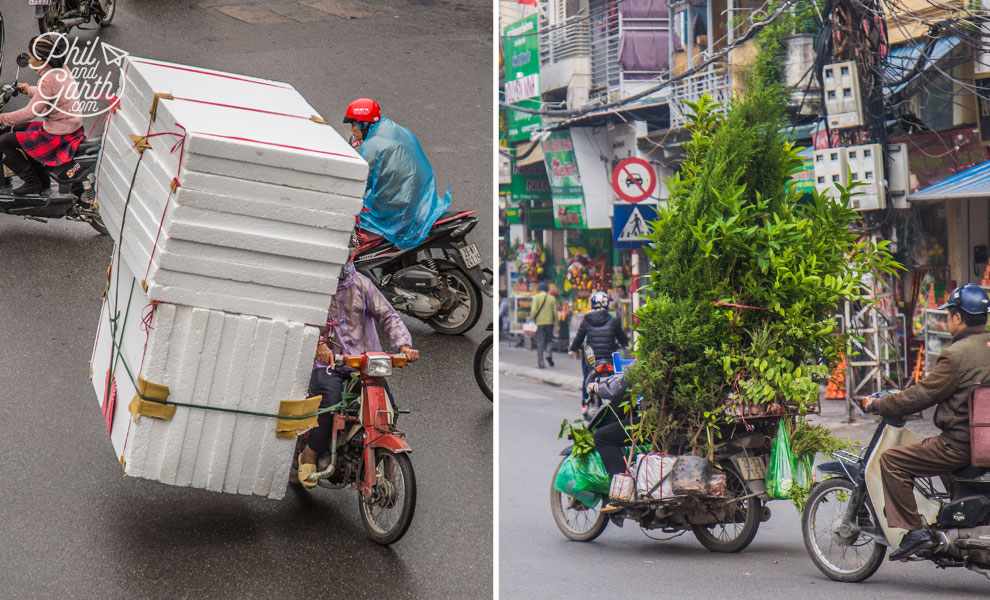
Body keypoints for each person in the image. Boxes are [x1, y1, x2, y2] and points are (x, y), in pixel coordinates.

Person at [865, 283, 990, 560]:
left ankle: (914, 532)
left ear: (958, 318)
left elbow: (921, 395)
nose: (947, 321)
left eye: (948, 315)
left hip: (959, 445)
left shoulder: (955, 355)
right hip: (985, 443)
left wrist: (881, 404)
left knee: (893, 461)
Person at [296, 261, 420, 488]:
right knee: (329, 403)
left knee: (387, 410)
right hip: (330, 364)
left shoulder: (363, 285)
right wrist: (319, 344)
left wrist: (404, 346)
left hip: (364, 364)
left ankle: (371, 457)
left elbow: (388, 316)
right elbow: (304, 320)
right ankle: (309, 454)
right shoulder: (317, 287)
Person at [343, 98, 451, 249]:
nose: (351, 130)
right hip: (418, 197)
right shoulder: (395, 129)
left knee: (358, 220)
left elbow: (362, 181)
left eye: (353, 124)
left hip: (399, 204)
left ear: (364, 124)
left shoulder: (373, 145)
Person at [0, 35, 84, 198]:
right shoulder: (61, 70)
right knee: (18, 129)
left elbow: (29, 113)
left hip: (58, 133)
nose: (29, 59)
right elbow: (49, 95)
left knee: (2, 142)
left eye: (31, 56)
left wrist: (2, 118)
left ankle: (32, 182)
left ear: (42, 59)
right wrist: (27, 90)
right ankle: (43, 180)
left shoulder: (49, 79)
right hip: (69, 127)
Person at [586, 364, 637, 514]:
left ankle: (621, 496)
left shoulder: (652, 354)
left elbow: (616, 388)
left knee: (603, 437)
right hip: (690, 424)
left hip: (658, 424)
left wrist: (597, 386)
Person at [569, 290, 628, 413]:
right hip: (609, 357)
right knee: (617, 376)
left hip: (592, 358)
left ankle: (585, 402)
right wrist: (625, 344)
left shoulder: (586, 320)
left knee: (586, 377)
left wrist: (573, 349)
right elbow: (622, 337)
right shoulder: (613, 320)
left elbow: (579, 337)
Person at [529, 281, 557, 368]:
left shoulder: (536, 298)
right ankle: (548, 353)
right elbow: (555, 313)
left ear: (539, 290)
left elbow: (533, 311)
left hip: (540, 323)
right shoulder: (552, 298)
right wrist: (557, 325)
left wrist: (532, 319)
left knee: (540, 342)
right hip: (550, 323)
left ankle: (541, 363)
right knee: (549, 340)